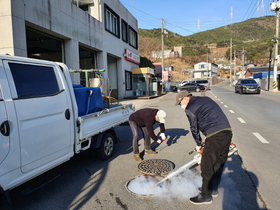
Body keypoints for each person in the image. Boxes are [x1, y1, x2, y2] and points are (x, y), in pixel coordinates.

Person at [175, 90, 232, 205]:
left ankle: (206, 196)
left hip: (215, 135)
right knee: (218, 164)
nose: (181, 106)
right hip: (227, 132)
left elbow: (194, 127)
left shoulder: (190, 108)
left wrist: (198, 144)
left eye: (180, 103)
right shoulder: (206, 99)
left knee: (207, 166)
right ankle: (213, 189)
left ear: (185, 99)